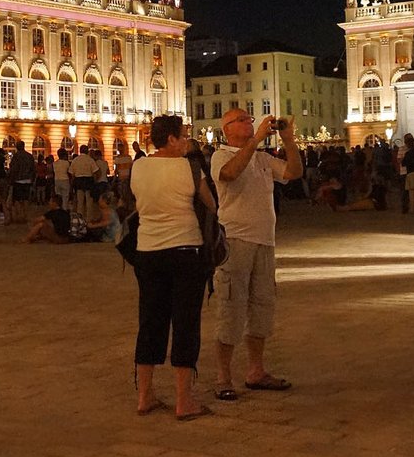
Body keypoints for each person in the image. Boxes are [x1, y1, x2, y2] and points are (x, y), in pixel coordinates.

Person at [128, 114, 217, 421]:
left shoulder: (138, 166)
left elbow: (138, 203)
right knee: (185, 322)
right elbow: (212, 204)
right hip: (184, 250)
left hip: (148, 251)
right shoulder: (188, 166)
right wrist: (195, 161)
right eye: (183, 136)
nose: (187, 141)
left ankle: (145, 396)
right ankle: (183, 399)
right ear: (171, 139)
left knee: (150, 321)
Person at [210, 107, 302, 401]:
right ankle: (223, 376)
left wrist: (289, 141)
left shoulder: (262, 158)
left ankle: (256, 370)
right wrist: (257, 140)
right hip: (235, 241)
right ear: (227, 129)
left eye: (251, 119)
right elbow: (230, 174)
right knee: (230, 306)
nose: (250, 122)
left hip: (265, 241)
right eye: (243, 120)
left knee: (262, 307)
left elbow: (293, 172)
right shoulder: (221, 156)